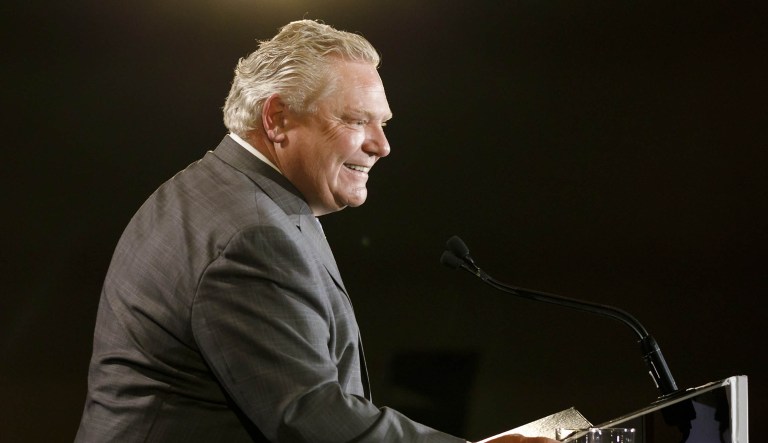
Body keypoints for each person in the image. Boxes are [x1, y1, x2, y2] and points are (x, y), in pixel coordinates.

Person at [74, 19, 559, 443]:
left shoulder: (224, 191)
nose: (382, 146)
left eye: (383, 123)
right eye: (356, 120)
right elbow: (310, 418)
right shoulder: (251, 234)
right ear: (277, 118)